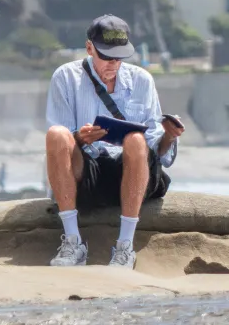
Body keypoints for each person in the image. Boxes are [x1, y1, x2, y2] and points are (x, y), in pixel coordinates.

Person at [44, 15, 183, 269]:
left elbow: (158, 153)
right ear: (89, 48)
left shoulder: (142, 80)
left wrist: (169, 136)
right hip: (88, 172)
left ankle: (125, 246)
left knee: (136, 139)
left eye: (119, 58)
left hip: (134, 173)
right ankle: (72, 242)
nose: (113, 64)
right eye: (107, 57)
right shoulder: (65, 77)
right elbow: (61, 144)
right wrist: (80, 138)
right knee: (56, 134)